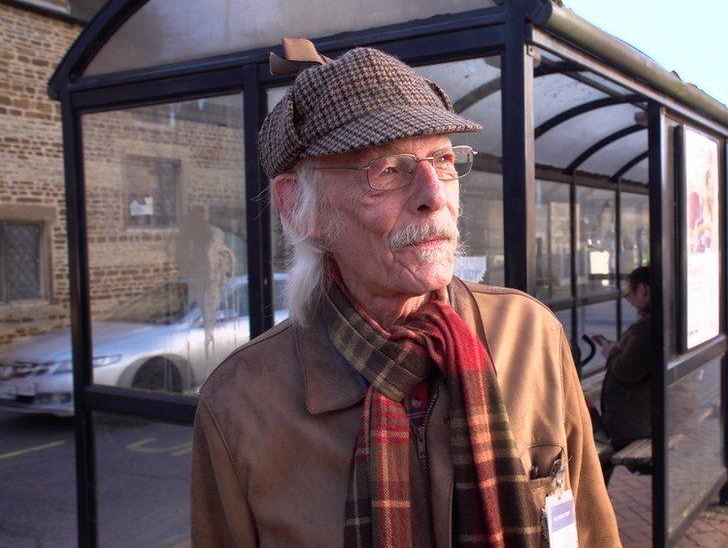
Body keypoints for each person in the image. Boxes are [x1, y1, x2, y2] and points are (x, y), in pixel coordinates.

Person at [191, 40, 620, 547]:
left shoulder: (530, 335)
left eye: (441, 159)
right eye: (389, 170)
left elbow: (591, 531)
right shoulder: (241, 405)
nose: (435, 196)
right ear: (298, 206)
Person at [595, 267, 654, 452]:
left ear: (642, 289)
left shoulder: (647, 328)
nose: (631, 301)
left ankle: (595, 480)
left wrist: (612, 352)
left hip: (634, 426)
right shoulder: (664, 319)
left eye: (630, 294)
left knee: (589, 436)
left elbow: (626, 370)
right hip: (647, 417)